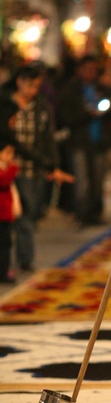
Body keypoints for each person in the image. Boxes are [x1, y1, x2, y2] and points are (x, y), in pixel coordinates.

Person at [1, 63, 74, 271]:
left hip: (31, 168)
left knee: (27, 211)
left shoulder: (41, 106)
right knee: (9, 214)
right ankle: (10, 259)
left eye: (37, 86)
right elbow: (10, 139)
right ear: (19, 82)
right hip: (6, 167)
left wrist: (53, 165)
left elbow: (47, 138)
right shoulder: (5, 103)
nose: (34, 90)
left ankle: (24, 258)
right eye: (31, 85)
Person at [56, 55, 111, 226]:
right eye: (87, 69)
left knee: (98, 180)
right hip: (79, 142)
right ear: (79, 70)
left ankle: (94, 213)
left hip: (99, 141)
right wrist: (87, 114)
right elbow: (65, 117)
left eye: (94, 69)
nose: (91, 73)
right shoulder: (71, 89)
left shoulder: (101, 88)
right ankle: (81, 214)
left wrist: (109, 109)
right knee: (82, 181)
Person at [0, 103, 21, 283]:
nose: (11, 157)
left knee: (7, 244)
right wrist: (13, 168)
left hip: (6, 214)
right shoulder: (6, 170)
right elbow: (4, 181)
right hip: (1, 213)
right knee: (3, 245)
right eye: (7, 153)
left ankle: (5, 270)